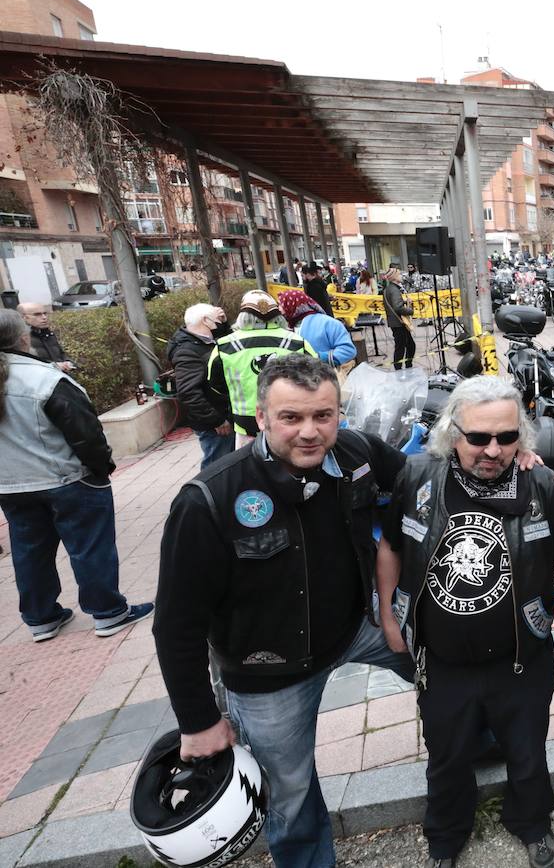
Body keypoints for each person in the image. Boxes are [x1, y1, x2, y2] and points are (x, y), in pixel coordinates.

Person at [154, 354, 413, 868]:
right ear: (262, 417)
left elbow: (420, 477)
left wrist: (516, 454)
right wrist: (199, 721)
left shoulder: (357, 453)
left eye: (324, 415)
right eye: (292, 418)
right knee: (289, 797)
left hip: (355, 626)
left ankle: (481, 741)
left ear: (341, 413)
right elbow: (176, 626)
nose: (310, 432)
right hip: (267, 671)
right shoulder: (208, 500)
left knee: (443, 660)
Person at [375, 376, 554, 868]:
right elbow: (390, 547)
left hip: (522, 660)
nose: (493, 450)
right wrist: (388, 613)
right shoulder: (417, 477)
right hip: (443, 661)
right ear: (454, 432)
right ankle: (446, 840)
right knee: (447, 758)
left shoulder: (539, 483)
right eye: (478, 438)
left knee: (527, 751)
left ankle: (532, 824)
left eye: (507, 436)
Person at [0, 308, 153, 642]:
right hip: (66, 479)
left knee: (29, 550)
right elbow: (86, 434)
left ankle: (40, 618)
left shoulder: (37, 379)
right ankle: (108, 612)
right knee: (89, 547)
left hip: (11, 485)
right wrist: (102, 469)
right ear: (23, 338)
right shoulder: (45, 379)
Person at [207, 290, 316, 439]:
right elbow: (317, 377)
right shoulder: (297, 342)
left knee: (248, 462)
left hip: (245, 424)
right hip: (291, 420)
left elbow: (214, 385)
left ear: (242, 316)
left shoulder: (224, 346)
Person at [166, 303, 235, 468]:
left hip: (222, 416)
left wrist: (224, 325)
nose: (218, 324)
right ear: (205, 320)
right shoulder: (187, 350)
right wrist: (216, 420)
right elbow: (188, 392)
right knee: (217, 468)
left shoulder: (203, 341)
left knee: (229, 465)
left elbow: (231, 346)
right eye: (216, 320)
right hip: (215, 425)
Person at [278, 290, 357, 369]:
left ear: (291, 304)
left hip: (325, 377)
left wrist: (319, 358)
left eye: (281, 305)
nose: (279, 309)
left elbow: (348, 350)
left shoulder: (328, 323)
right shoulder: (287, 327)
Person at [19, 303, 74, 372]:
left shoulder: (48, 333)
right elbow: (29, 366)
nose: (44, 317)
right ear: (24, 318)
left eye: (45, 313)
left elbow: (61, 353)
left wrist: (68, 362)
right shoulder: (21, 339)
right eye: (37, 314)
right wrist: (54, 366)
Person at [382, 267, 416, 369]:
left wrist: (405, 302)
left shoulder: (389, 289)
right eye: (399, 274)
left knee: (406, 346)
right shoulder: (394, 290)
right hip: (399, 323)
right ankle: (401, 369)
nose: (401, 276)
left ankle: (402, 367)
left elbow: (394, 304)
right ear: (395, 277)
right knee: (404, 347)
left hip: (395, 322)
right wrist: (411, 311)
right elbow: (397, 307)